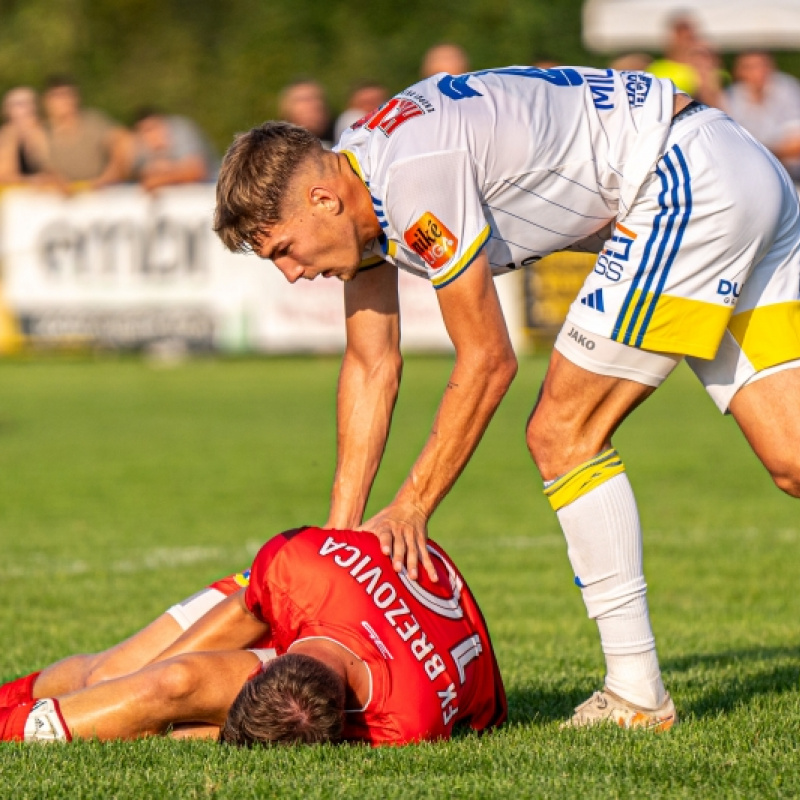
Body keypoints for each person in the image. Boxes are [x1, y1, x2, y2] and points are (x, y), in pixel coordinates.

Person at [213, 65, 800, 731]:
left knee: (562, 433)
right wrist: (341, 541)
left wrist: (411, 507)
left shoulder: (412, 177)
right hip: (729, 162)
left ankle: (637, 695)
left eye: (284, 251)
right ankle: (636, 694)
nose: (291, 274)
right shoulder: (363, 179)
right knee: (792, 460)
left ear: (322, 201)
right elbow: (372, 363)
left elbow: (489, 359)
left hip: (684, 184)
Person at [0, 527, 506, 744]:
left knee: (173, 695)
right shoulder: (295, 567)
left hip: (379, 608)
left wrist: (171, 721)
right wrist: (135, 689)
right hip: (316, 581)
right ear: (266, 660)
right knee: (119, 676)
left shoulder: (405, 721)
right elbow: (179, 665)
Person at [41, 74, 131, 190]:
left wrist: (111, 174)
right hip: (58, 199)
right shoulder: (41, 131)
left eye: (68, 95)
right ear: (46, 101)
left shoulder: (93, 121)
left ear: (76, 98)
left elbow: (124, 140)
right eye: (57, 96)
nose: (64, 101)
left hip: (99, 193)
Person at [726, 51, 800, 182]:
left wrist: (758, 153)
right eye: (750, 67)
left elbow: (796, 142)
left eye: (762, 65)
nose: (759, 72)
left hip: (791, 175)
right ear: (739, 71)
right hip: (751, 176)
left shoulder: (787, 88)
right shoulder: (732, 96)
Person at [131, 108, 219, 191]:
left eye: (152, 129)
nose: (152, 136)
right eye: (145, 132)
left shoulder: (181, 132)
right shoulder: (142, 146)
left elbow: (197, 171)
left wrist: (160, 180)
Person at [0, 87, 49, 184]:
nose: (27, 108)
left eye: (30, 102)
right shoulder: (6, 134)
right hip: (17, 190)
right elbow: (4, 175)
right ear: (7, 110)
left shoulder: (47, 129)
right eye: (20, 104)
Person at [278, 79, 334, 149]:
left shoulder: (342, 137)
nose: (310, 105)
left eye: (315, 98)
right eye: (302, 99)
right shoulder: (278, 148)